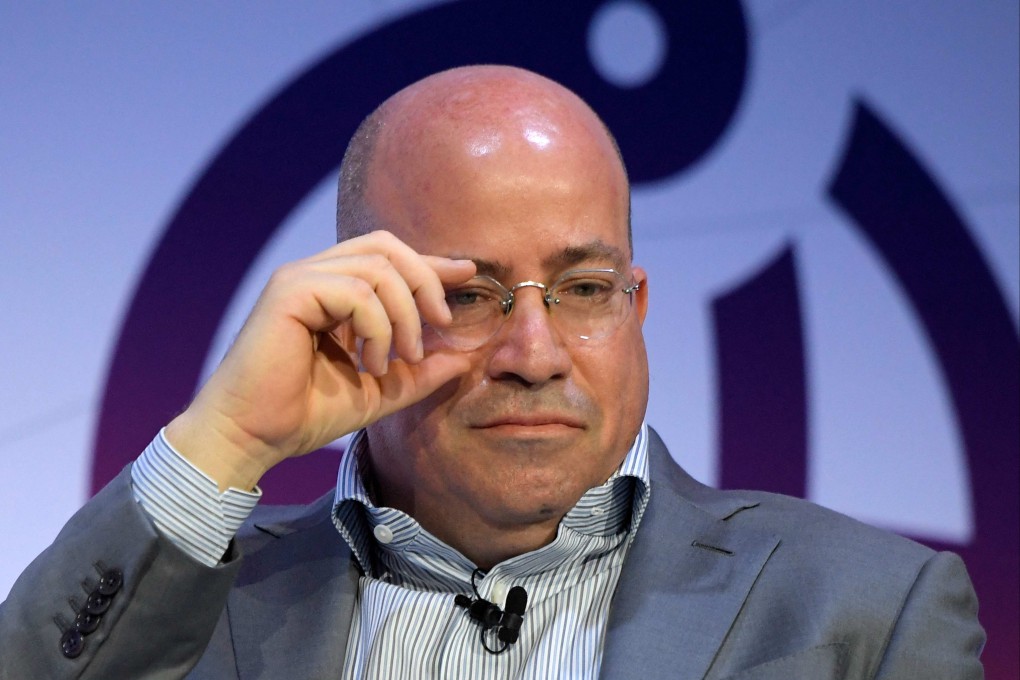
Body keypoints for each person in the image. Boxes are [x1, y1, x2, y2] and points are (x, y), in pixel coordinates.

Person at [0, 65, 984, 679]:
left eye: (584, 289)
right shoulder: (187, 604)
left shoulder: (867, 608)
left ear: (636, 307)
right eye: (469, 295)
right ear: (356, 310)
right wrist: (225, 439)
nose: (534, 354)